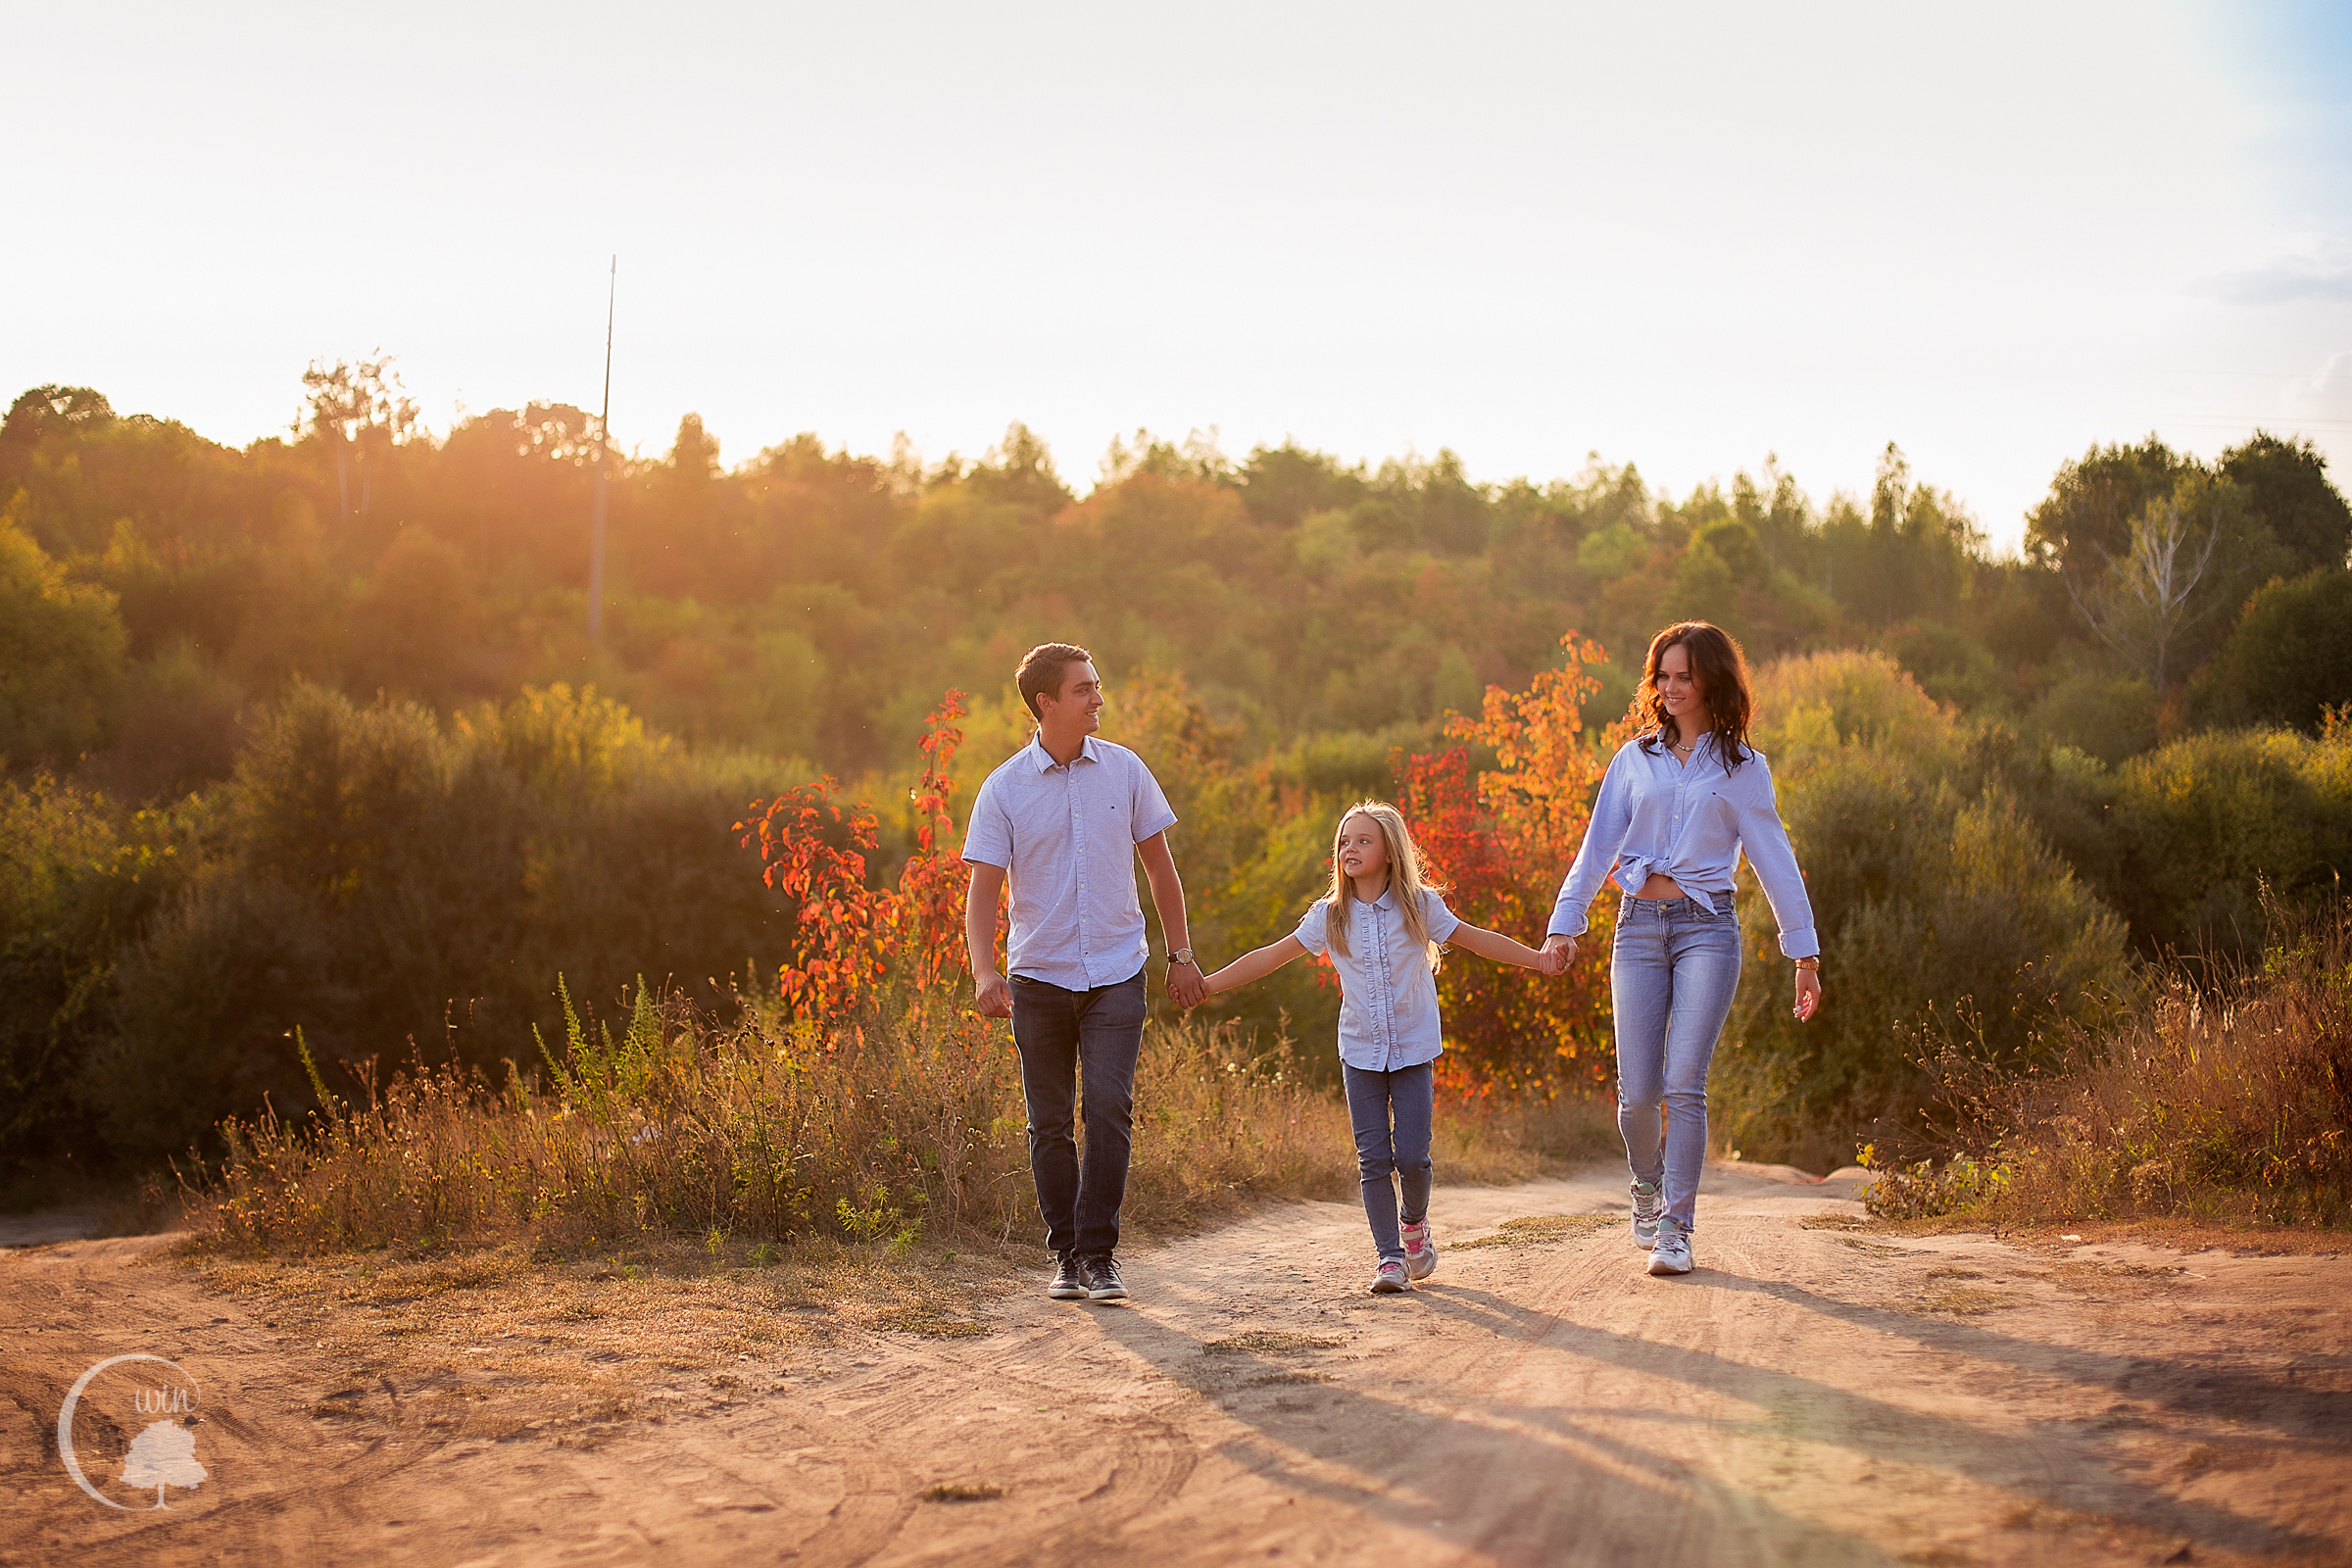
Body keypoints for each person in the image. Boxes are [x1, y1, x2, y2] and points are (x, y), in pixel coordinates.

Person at [1542, 621, 1822, 1278]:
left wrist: (1804, 957)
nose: (1670, 688)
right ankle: (1646, 1186)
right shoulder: (1632, 760)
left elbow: (1775, 862)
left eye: (1684, 676)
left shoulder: (1744, 769)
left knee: (1683, 1086)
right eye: (1662, 675)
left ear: (1710, 681)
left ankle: (1677, 1227)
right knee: (1637, 1095)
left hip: (1708, 930)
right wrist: (1566, 921)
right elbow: (1597, 847)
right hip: (1637, 928)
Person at [1194, 802, 1559, 1294]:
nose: (1350, 849)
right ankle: (1389, 1258)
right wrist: (1209, 985)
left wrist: (1537, 960)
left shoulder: (1420, 905)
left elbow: (1476, 939)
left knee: (1412, 1156)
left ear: (1390, 851)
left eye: (1363, 840)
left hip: (1412, 1048)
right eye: (1344, 841)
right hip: (1360, 1052)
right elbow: (1269, 956)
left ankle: (1414, 1224)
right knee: (1373, 1159)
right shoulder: (1328, 917)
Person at [964, 643, 1209, 1304]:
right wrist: (985, 970)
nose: (1098, 697)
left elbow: (1160, 868)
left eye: (1096, 686)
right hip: (1038, 978)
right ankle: (1066, 1256)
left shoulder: (1126, 771)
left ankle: (1100, 1255)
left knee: (1108, 1109)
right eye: (1084, 689)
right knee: (1048, 1121)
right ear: (1047, 702)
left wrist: (1180, 954)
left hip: (1115, 971)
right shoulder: (1004, 788)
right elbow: (983, 892)